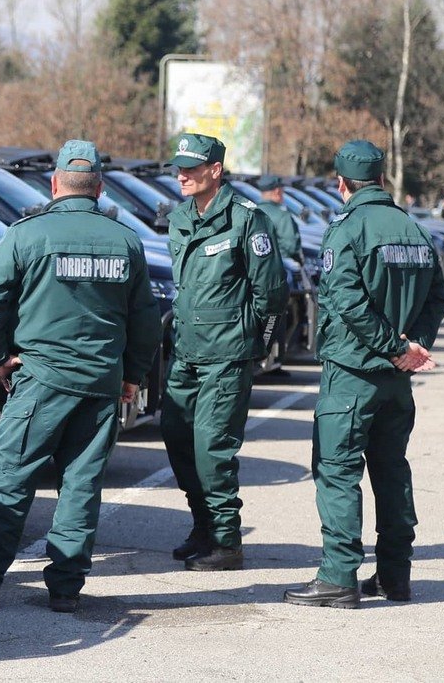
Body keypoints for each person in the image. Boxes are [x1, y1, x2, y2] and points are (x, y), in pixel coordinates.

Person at [0, 140, 162, 613]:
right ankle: (65, 588)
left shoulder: (26, 235)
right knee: (81, 486)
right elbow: (145, 320)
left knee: (12, 481)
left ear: (55, 183)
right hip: (101, 386)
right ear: (99, 188)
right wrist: (132, 376)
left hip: (41, 381)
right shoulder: (125, 241)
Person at [283, 140, 444, 609]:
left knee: (337, 472)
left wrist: (398, 346)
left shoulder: (348, 229)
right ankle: (396, 577)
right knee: (391, 470)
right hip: (396, 381)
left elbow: (345, 301)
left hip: (353, 374)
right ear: (381, 179)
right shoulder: (413, 229)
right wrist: (413, 346)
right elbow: (438, 297)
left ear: (341, 184)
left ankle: (338, 577)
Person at [159, 133, 289, 571]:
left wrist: (254, 344)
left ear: (215, 170)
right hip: (186, 354)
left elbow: (270, 292)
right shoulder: (180, 217)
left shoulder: (247, 219)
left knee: (212, 448)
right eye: (179, 167)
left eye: (192, 168)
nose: (182, 175)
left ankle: (227, 540)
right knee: (178, 441)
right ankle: (203, 526)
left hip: (226, 356)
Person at [255, 175, 304, 265]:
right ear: (277, 191)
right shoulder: (282, 216)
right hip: (279, 269)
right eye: (282, 191)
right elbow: (291, 247)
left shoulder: (251, 212)